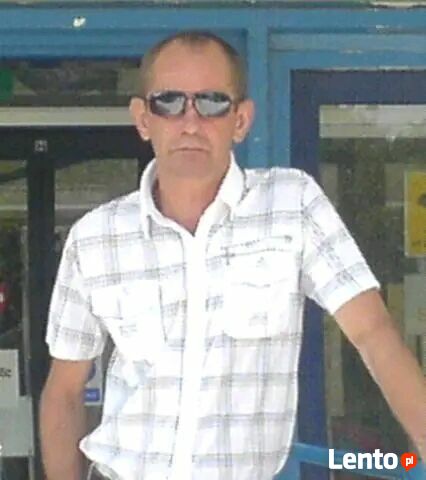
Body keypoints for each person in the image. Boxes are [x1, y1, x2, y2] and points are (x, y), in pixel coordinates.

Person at [40, 31, 426, 480]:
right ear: (143, 119)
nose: (190, 121)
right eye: (168, 102)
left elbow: (372, 332)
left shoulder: (292, 204)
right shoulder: (95, 237)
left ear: (241, 120)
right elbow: (64, 391)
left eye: (212, 102)